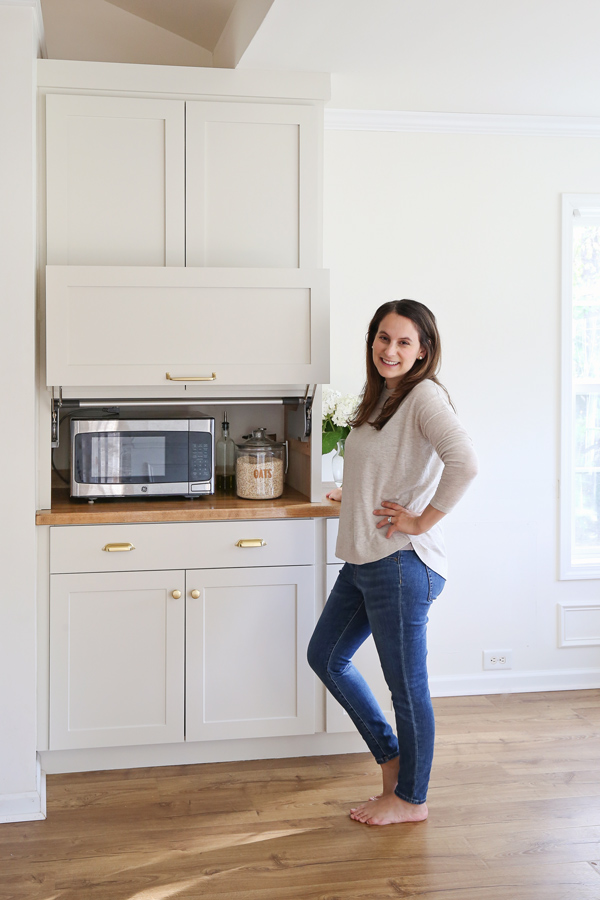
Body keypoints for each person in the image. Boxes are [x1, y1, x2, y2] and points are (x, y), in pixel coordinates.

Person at [308, 299, 478, 826]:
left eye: (404, 341)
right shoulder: (383, 396)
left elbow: (465, 462)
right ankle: (393, 760)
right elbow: (384, 463)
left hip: (401, 563)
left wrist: (421, 521)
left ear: (423, 350)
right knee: (326, 656)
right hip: (366, 560)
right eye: (384, 338)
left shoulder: (424, 397)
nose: (391, 349)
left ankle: (411, 798)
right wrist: (353, 492)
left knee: (407, 688)